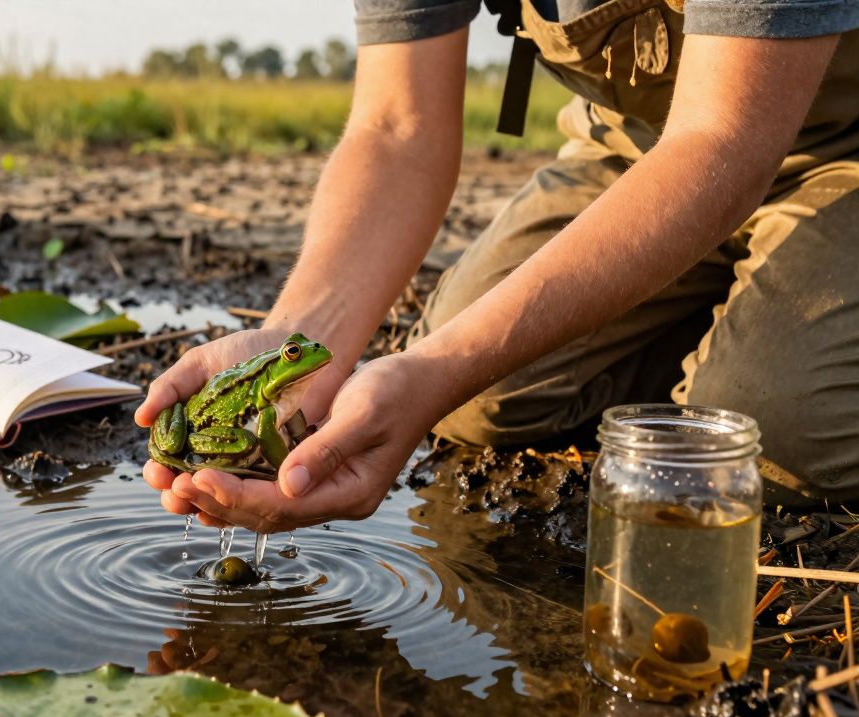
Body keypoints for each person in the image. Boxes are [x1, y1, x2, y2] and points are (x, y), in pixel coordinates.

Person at [139, 0, 859, 531]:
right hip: (641, 145)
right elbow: (397, 126)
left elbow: (724, 136)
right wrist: (296, 340)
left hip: (827, 147)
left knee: (773, 431)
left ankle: (761, 350)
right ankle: (720, 323)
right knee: (477, 398)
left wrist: (433, 369)